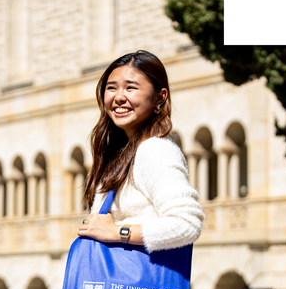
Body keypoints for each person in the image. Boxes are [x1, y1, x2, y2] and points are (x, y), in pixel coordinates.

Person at [78, 50, 205, 251]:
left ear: (159, 97)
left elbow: (187, 224)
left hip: (135, 278)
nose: (119, 97)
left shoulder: (154, 149)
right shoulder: (121, 153)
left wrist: (117, 232)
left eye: (131, 88)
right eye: (112, 88)